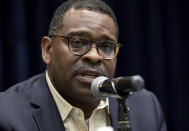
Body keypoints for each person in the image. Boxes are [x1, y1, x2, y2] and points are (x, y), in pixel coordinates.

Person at [0, 0, 167, 131]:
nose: (94, 56)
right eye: (78, 42)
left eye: (106, 46)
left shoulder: (145, 107)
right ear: (48, 50)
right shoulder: (7, 115)